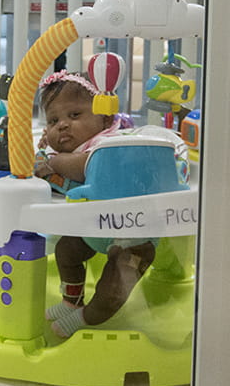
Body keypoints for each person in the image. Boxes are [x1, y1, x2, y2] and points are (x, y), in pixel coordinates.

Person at [33, 71, 163, 338]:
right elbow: (58, 180)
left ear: (104, 118)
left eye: (75, 115)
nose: (62, 126)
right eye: (54, 120)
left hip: (133, 235)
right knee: (66, 251)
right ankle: (72, 301)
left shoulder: (110, 144)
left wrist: (53, 163)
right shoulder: (69, 152)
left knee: (113, 288)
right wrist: (46, 155)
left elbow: (85, 167)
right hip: (94, 228)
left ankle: (86, 317)